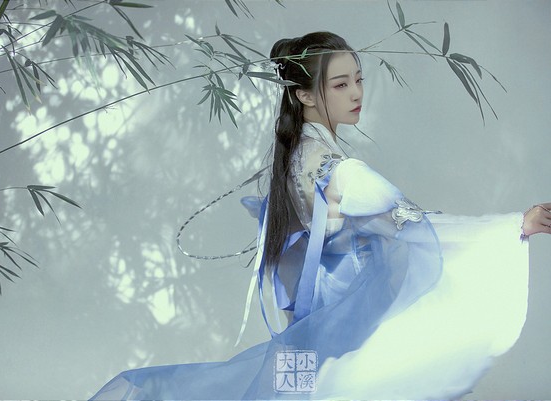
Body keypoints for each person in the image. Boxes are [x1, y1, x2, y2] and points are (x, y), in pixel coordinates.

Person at [90, 31, 551, 400]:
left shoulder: (298, 156)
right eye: (340, 84)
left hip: (312, 327)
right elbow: (413, 226)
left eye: (358, 79)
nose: (357, 93)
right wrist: (513, 225)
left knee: (285, 395)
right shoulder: (336, 169)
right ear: (305, 96)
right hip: (336, 331)